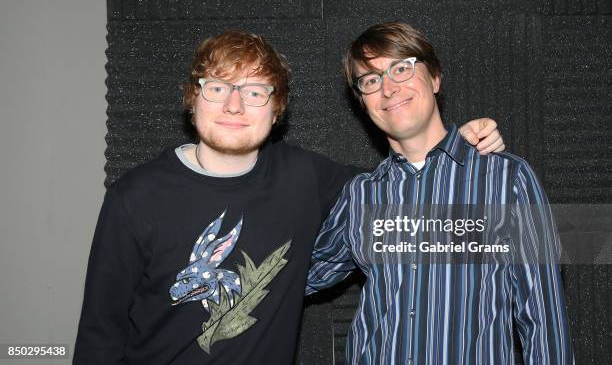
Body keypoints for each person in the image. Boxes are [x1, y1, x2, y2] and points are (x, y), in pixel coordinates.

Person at [73, 30, 505, 364]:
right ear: (193, 97)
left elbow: (400, 185)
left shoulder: (305, 177)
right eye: (218, 87)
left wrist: (452, 146)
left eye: (255, 92)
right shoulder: (136, 196)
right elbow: (100, 333)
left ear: (277, 110)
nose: (235, 106)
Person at [306, 22, 574, 364]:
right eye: (371, 80)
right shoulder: (361, 195)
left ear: (435, 79)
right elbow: (300, 275)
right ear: (363, 101)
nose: (388, 88)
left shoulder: (506, 179)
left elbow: (543, 317)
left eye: (401, 68)